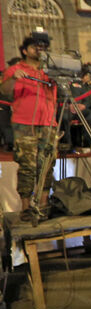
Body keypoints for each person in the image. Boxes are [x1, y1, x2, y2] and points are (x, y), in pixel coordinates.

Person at [1, 36, 58, 215]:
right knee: (27, 165)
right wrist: (13, 79)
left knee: (47, 164)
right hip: (24, 124)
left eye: (43, 46)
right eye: (35, 46)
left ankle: (43, 205)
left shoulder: (51, 70)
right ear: (25, 50)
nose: (40, 49)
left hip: (48, 123)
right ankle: (26, 208)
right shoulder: (15, 69)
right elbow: (4, 91)